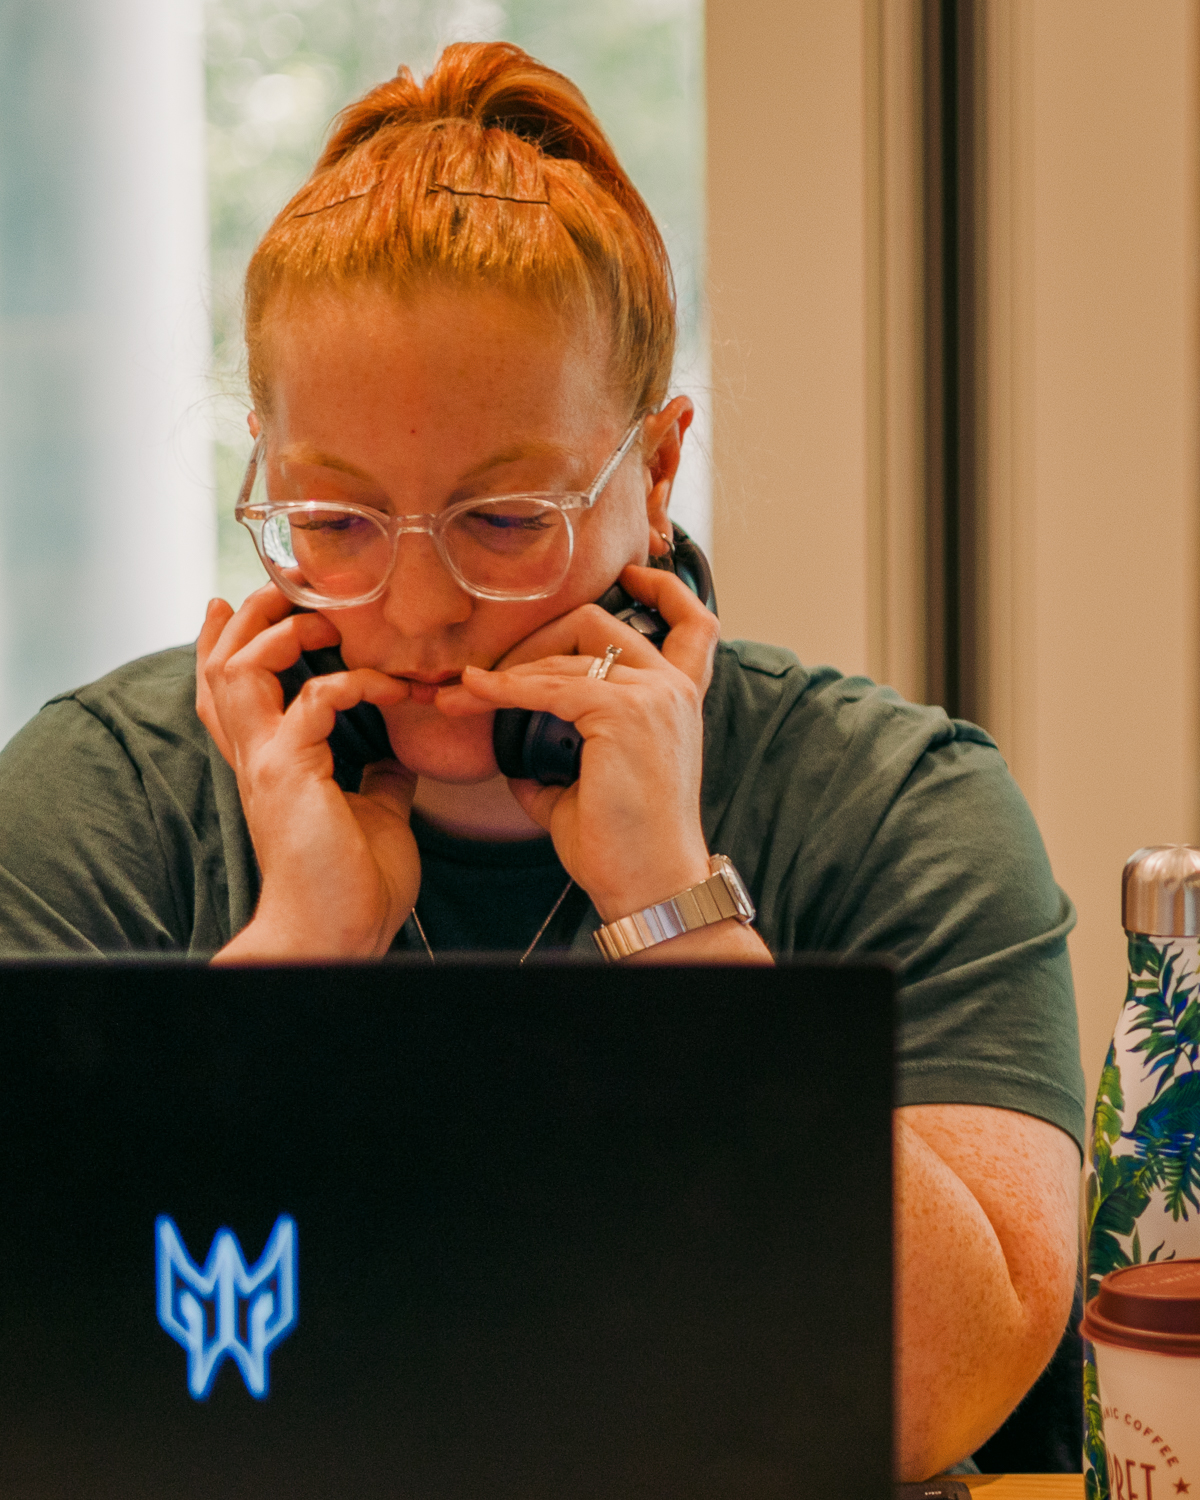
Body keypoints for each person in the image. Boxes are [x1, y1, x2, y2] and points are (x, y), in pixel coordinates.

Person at [0, 42, 1084, 1477]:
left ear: (658, 467)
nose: (418, 607)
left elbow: (945, 1392)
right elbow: (47, 1377)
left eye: (506, 521)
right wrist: (297, 955)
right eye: (333, 522)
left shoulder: (898, 809)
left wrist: (673, 910)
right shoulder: (102, 802)